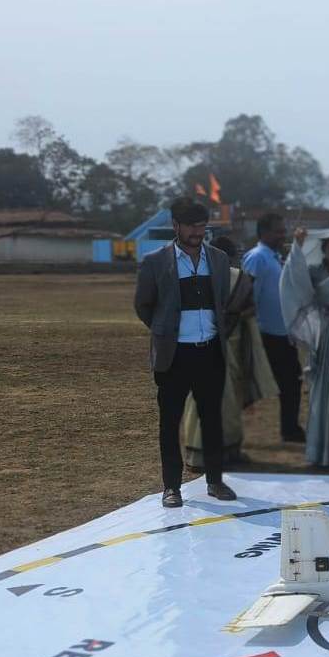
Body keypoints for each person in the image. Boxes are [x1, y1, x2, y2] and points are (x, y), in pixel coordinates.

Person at [133, 197, 236, 507]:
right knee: (170, 423)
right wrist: (165, 331)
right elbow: (143, 305)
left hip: (210, 353)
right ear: (175, 226)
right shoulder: (155, 262)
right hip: (174, 356)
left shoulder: (218, 259)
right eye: (191, 226)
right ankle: (172, 487)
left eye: (202, 226)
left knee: (212, 420)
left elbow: (223, 301)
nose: (197, 232)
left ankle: (215, 481)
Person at [181, 236, 277, 470]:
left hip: (200, 349)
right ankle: (219, 454)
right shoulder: (239, 279)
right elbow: (250, 310)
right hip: (225, 349)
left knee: (204, 401)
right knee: (224, 402)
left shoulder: (191, 276)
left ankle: (206, 456)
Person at [281, 227, 329, 467]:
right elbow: (295, 280)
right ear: (325, 249)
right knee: (322, 391)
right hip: (324, 335)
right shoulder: (314, 271)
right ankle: (323, 451)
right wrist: (297, 245)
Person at [242, 213, 306, 443]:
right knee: (253, 387)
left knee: (291, 383)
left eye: (283, 230)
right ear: (264, 233)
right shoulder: (257, 258)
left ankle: (290, 429)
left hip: (282, 335)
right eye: (278, 231)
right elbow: (247, 296)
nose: (283, 235)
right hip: (265, 335)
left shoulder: (275, 257)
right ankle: (225, 431)